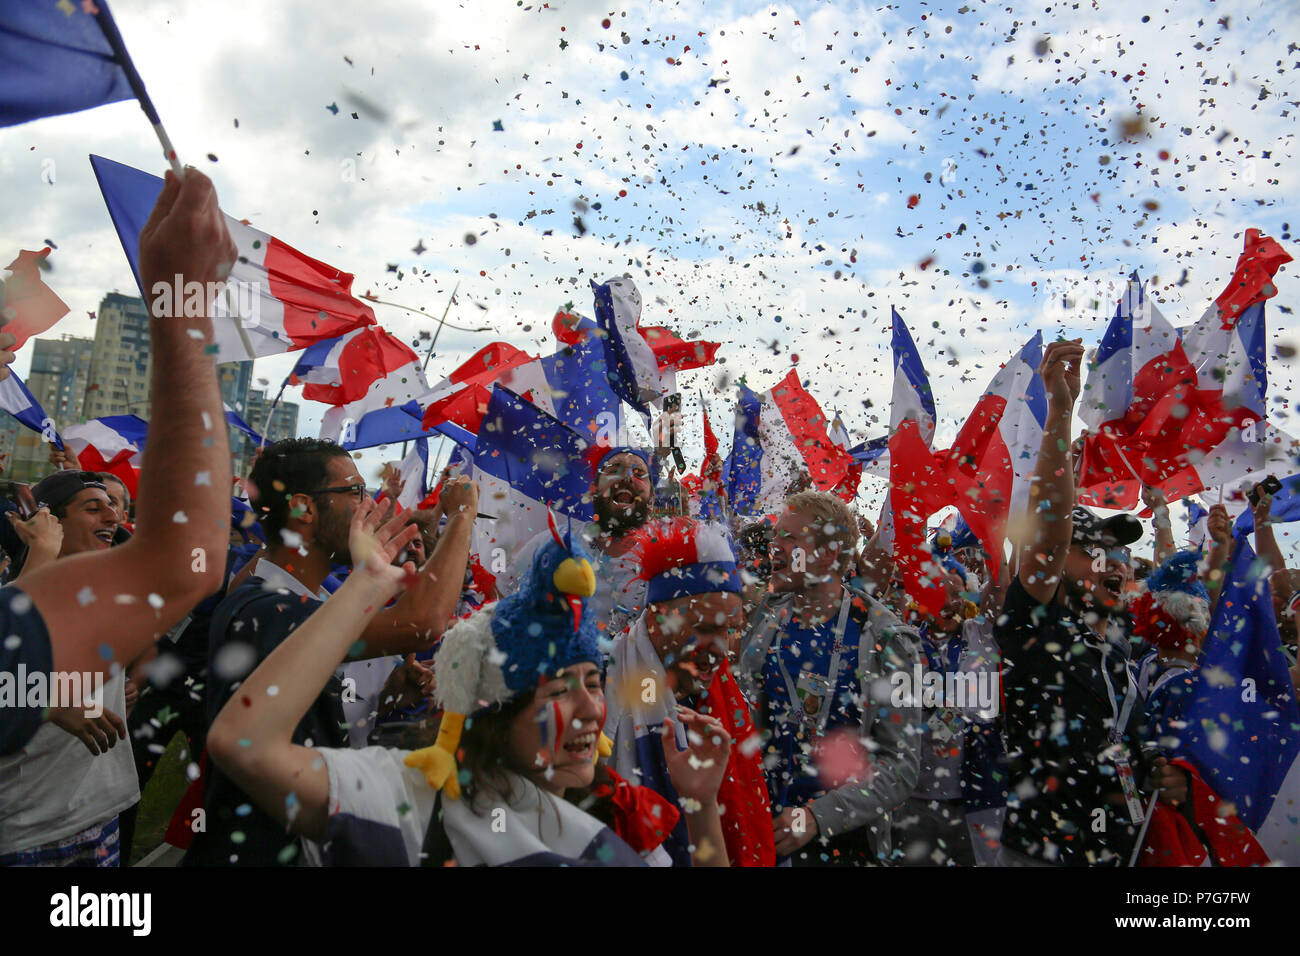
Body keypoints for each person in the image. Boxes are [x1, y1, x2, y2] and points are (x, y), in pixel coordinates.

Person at [208, 498, 734, 866]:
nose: (592, 710)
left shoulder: (621, 808)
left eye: (593, 682)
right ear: (493, 709)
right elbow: (242, 745)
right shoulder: (412, 795)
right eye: (556, 691)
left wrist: (703, 806)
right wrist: (365, 587)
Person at [1, 168, 234, 758]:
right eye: (96, 505)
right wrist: (184, 302)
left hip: (93, 826)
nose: (113, 515)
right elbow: (182, 565)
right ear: (43, 513)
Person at [186, 444, 475, 865]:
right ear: (304, 508)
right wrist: (463, 515)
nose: (369, 504)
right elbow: (423, 622)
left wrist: (391, 690)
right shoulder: (268, 607)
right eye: (355, 491)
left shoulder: (309, 595)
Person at [997, 339, 1186, 867]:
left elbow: (1125, 736)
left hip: (1118, 851)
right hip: (1047, 853)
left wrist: (1161, 770)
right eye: (1096, 552)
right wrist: (1060, 411)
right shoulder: (1035, 627)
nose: (1116, 565)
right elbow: (1046, 540)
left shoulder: (1119, 644)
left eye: (1121, 555)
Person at [737, 490, 923, 865]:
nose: (776, 546)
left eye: (790, 538)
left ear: (828, 552)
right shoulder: (762, 620)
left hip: (845, 847)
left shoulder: (892, 641)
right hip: (762, 835)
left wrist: (817, 817)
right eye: (776, 536)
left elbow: (902, 767)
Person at [604, 517, 776, 866]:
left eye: (730, 630)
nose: (720, 648)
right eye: (704, 628)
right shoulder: (602, 691)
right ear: (656, 618)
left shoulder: (730, 698)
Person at [0, 474, 138, 866]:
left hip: (99, 812)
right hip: (28, 828)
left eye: (112, 506)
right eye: (94, 509)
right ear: (52, 524)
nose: (112, 515)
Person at [891, 550, 1005, 867]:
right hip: (918, 797)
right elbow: (901, 720)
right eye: (937, 592)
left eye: (955, 593)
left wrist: (997, 545)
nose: (947, 601)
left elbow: (1000, 587)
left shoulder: (980, 635)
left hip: (980, 796)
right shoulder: (907, 644)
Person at [497, 445, 656, 638]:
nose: (627, 477)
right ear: (593, 491)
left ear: (652, 500)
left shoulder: (665, 563)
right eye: (614, 470)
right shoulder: (556, 544)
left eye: (639, 473)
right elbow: (499, 598)